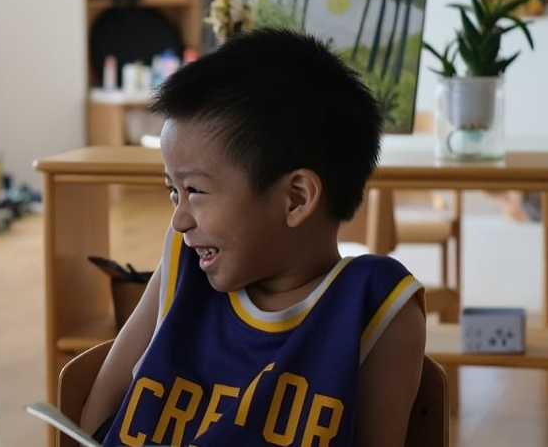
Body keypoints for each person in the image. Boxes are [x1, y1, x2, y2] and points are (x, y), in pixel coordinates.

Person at [80, 29, 426, 446]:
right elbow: (98, 418)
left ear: (296, 198)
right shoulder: (184, 266)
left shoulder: (373, 307)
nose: (179, 220)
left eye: (195, 191)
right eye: (174, 191)